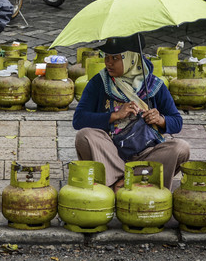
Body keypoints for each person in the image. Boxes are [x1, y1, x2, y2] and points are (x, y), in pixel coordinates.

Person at [73, 34, 190, 191]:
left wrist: (160, 119)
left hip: (146, 153)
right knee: (84, 137)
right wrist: (115, 115)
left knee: (181, 148)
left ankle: (123, 180)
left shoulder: (154, 85)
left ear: (132, 59)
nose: (108, 63)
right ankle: (129, 179)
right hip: (110, 152)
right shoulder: (99, 82)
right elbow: (79, 119)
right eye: (106, 57)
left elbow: (177, 122)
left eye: (115, 58)